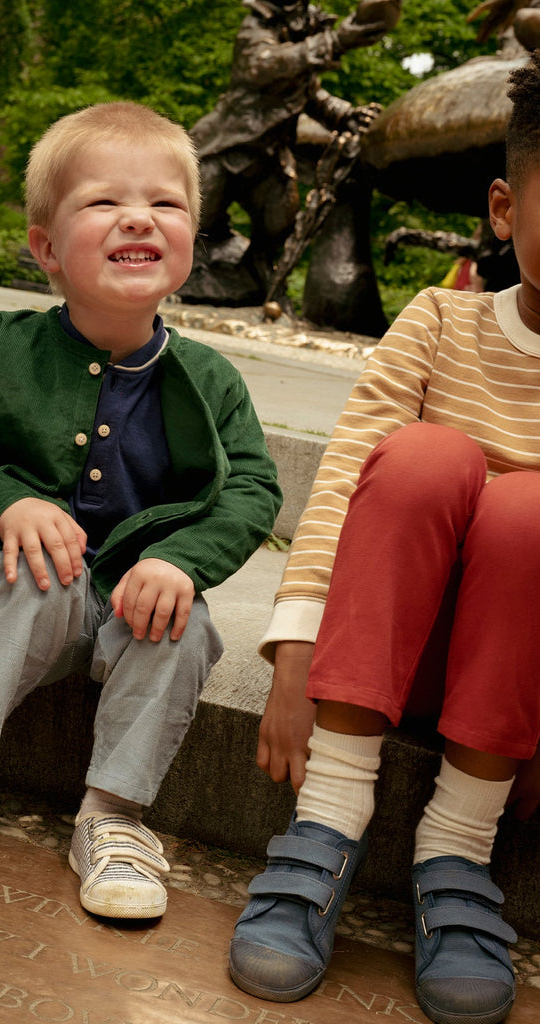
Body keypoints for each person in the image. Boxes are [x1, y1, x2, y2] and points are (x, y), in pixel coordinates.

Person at [0, 101, 282, 919]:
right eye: (103, 201)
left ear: (189, 244)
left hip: (136, 602)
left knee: (185, 624)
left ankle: (112, 816)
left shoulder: (211, 379)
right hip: (23, 596)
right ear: (46, 248)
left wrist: (180, 561)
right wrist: (8, 503)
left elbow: (252, 490)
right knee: (28, 573)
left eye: (165, 204)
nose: (138, 215)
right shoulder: (1, 345)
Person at [228, 51, 540, 1024]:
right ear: (503, 210)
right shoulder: (440, 322)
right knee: (417, 458)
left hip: (507, 669)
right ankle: (327, 818)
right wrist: (295, 648)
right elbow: (341, 479)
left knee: (530, 508)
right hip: (379, 640)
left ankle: (456, 844)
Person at [182, 0, 389, 306]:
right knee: (199, 214)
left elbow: (312, 96)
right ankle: (176, 278)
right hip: (225, 148)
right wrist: (334, 41)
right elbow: (265, 64)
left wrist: (346, 114)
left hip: (270, 157)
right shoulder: (255, 31)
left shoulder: (298, 46)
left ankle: (259, 280)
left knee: (279, 220)